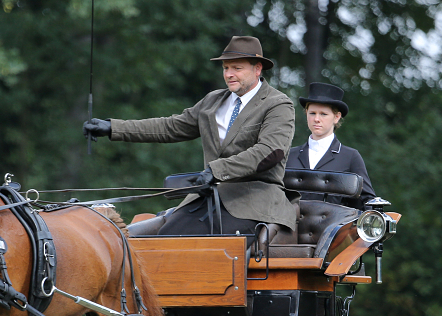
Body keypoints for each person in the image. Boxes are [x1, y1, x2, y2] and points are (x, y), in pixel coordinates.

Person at [83, 36, 297, 239]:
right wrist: (113, 128)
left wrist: (217, 170)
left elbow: (270, 151)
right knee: (159, 236)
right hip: (207, 198)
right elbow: (170, 127)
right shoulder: (214, 101)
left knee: (180, 239)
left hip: (255, 201)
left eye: (237, 68)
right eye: (226, 68)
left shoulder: (277, 104)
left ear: (257, 69)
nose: (229, 74)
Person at [285, 82, 375, 208]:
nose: (316, 119)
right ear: (306, 113)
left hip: (335, 226)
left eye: (323, 114)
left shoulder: (350, 157)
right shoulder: (289, 155)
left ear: (336, 117)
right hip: (291, 226)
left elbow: (367, 201)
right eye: (312, 113)